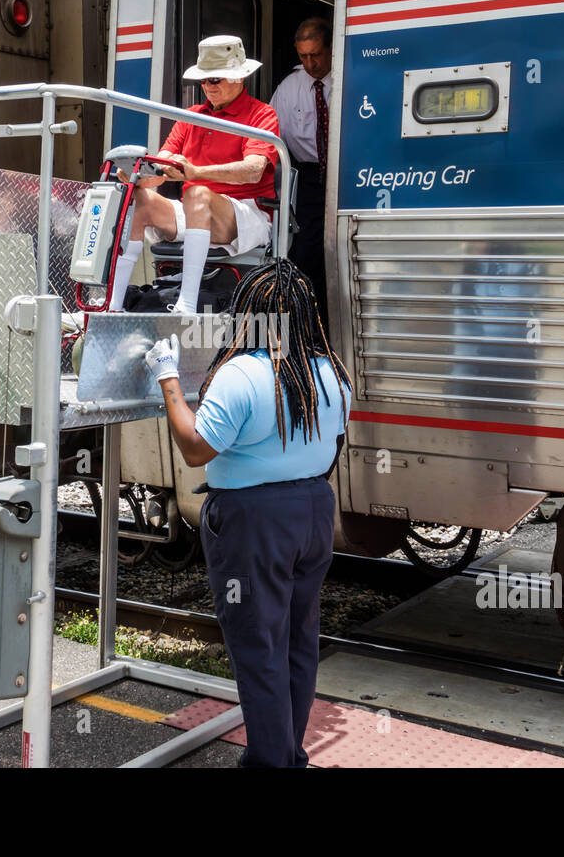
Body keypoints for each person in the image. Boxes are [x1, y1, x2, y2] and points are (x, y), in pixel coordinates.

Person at [141, 260, 352, 767]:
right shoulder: (332, 371)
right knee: (298, 643)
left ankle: (272, 763)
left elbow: (196, 448)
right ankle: (287, 754)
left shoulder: (241, 373)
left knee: (258, 650)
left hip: (253, 522)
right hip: (313, 513)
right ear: (306, 314)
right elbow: (335, 443)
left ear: (249, 313)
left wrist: (167, 377)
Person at [108, 35, 280, 315]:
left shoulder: (262, 114)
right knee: (139, 198)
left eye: (214, 80)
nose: (207, 87)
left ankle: (186, 305)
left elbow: (253, 170)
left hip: (247, 215)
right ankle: (112, 307)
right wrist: (135, 177)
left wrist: (196, 172)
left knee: (196, 193)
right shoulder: (191, 116)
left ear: (239, 77)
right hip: (196, 210)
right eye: (203, 80)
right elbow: (160, 172)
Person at [270, 17, 332, 332]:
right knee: (307, 254)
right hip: (309, 178)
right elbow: (268, 138)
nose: (310, 63)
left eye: (317, 54)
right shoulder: (289, 88)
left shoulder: (354, 75)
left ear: (332, 47)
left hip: (348, 172)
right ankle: (312, 328)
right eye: (303, 56)